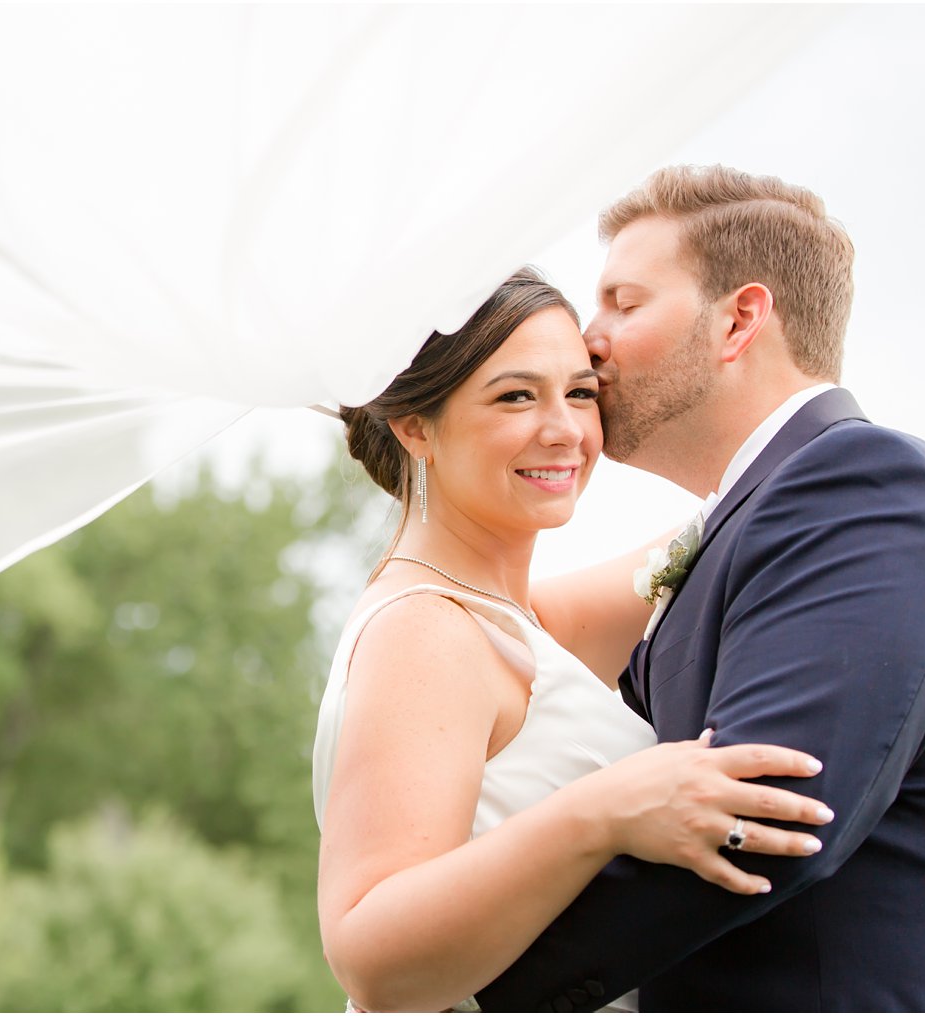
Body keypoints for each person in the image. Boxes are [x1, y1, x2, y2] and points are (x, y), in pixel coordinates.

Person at [474, 166, 925, 1011]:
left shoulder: (868, 487)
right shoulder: (760, 524)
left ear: (740, 319)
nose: (588, 342)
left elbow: (770, 816)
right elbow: (513, 629)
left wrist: (471, 984)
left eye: (623, 304)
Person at [313, 267, 838, 1013]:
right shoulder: (426, 631)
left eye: (581, 392)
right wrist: (608, 810)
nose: (565, 430)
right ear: (414, 426)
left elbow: (738, 522)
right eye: (516, 395)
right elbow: (372, 959)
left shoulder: (514, 618)